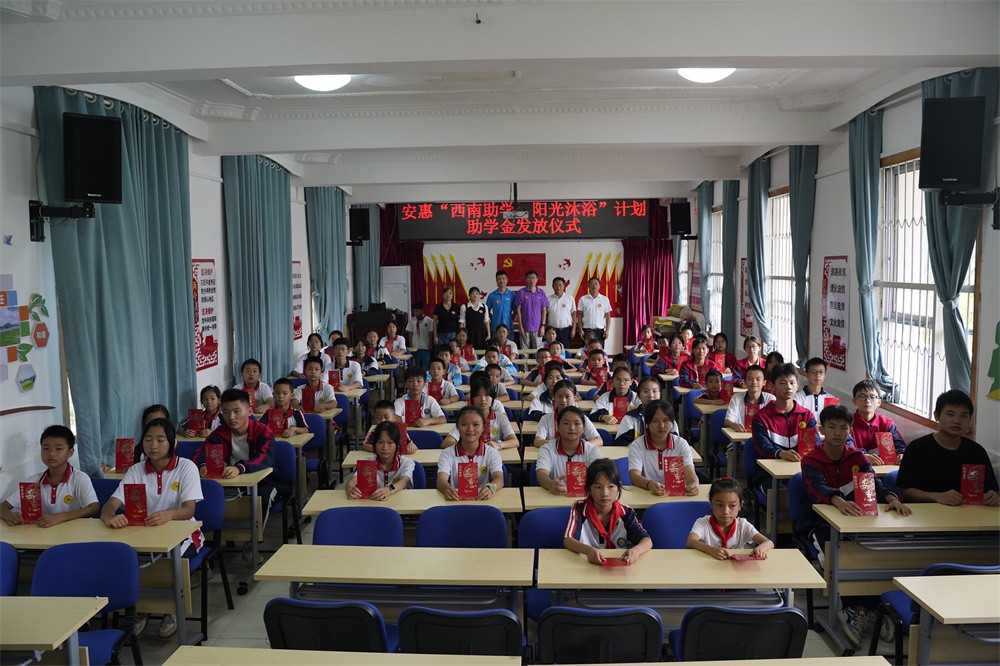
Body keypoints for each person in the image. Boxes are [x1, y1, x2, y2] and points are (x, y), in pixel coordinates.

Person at [798, 404, 911, 648]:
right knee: (840, 558)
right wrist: (838, 501)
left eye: (843, 428)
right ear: (822, 430)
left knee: (875, 554)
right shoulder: (811, 460)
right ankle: (853, 608)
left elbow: (874, 483)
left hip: (858, 520)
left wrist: (891, 498)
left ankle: (866, 608)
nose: (837, 433)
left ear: (850, 431)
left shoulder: (857, 458)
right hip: (820, 523)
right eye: (832, 427)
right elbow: (818, 489)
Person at [104, 418, 202, 639]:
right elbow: (110, 505)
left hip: (183, 533)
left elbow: (189, 510)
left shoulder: (186, 467)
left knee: (168, 563)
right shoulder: (136, 470)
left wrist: (169, 515)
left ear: (172, 443)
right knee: (125, 559)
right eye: (148, 439)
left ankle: (171, 608)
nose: (153, 445)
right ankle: (142, 608)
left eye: (160, 440)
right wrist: (110, 517)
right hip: (143, 534)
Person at [896, 390, 999, 506]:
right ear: (937, 416)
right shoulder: (917, 448)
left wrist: (994, 497)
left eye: (964, 416)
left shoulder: (977, 451)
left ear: (970, 420)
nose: (957, 421)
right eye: (950, 414)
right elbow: (906, 491)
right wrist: (936, 496)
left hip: (968, 514)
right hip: (926, 514)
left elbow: (992, 490)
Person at [1, 425, 98, 527]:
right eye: (46, 448)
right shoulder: (32, 482)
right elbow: (3, 507)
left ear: (70, 452)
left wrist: (60, 517)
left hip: (72, 532)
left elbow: (93, 508)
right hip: (41, 533)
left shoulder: (79, 478)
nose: (51, 453)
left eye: (58, 449)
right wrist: (9, 516)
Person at [563, 458, 652, 565]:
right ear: (589, 488)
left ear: (619, 487)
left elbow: (647, 540)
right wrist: (588, 551)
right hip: (585, 565)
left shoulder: (625, 512)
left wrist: (636, 551)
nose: (605, 493)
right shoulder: (580, 508)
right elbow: (568, 540)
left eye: (611, 486)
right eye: (598, 487)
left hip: (618, 567)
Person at [748, 363, 816, 488]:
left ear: (798, 385)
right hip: (769, 475)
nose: (788, 387)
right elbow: (763, 447)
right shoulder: (761, 418)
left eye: (792, 383)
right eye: (783, 383)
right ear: (772, 386)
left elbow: (814, 446)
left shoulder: (807, 416)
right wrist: (780, 453)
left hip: (801, 471)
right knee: (786, 492)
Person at [686, 477, 773, 560]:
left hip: (734, 568)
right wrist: (710, 549)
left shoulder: (742, 525)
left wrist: (761, 548)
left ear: (740, 506)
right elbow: (690, 541)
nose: (725, 511)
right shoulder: (703, 523)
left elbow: (769, 542)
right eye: (720, 505)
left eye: (732, 506)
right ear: (711, 504)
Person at [196, 389, 275, 480]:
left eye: (237, 411)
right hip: (230, 480)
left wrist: (240, 468)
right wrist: (203, 465)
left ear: (249, 411)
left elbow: (265, 457)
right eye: (226, 412)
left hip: (261, 480)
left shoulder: (262, 432)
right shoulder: (219, 433)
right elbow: (202, 452)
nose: (231, 417)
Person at [627, 401, 699, 496]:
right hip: (647, 494)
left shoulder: (681, 444)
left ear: (672, 423)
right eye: (655, 421)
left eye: (666, 420)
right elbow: (634, 476)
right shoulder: (637, 445)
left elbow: (690, 472)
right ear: (647, 423)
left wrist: (694, 484)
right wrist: (649, 484)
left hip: (676, 496)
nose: (661, 426)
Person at [436, 406, 505, 501]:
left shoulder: (491, 453)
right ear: (457, 427)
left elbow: (499, 478)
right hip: (456, 501)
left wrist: (491, 488)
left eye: (476, 425)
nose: (470, 429)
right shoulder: (447, 453)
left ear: (483, 428)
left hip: (482, 500)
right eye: (464, 424)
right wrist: (447, 489)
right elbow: (441, 480)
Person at [536, 406, 603, 494]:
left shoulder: (592, 451)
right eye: (566, 423)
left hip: (584, 496)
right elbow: (541, 472)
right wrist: (549, 484)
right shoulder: (547, 449)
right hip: (556, 495)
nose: (572, 428)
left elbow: (599, 476)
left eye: (577, 424)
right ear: (558, 427)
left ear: (583, 428)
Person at [345, 421, 414, 501]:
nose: (385, 448)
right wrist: (349, 487)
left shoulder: (406, 463)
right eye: (380, 442)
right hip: (373, 505)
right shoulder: (367, 463)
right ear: (374, 444)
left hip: (399, 504)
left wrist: (389, 490)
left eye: (390, 442)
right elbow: (353, 480)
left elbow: (404, 481)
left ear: (397, 445)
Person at [442, 381, 518, 450]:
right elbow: (446, 443)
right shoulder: (466, 418)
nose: (483, 399)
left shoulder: (500, 418)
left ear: (493, 398)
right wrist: (467, 447)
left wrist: (499, 445)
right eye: (478, 395)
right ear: (472, 398)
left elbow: (515, 441)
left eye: (487, 395)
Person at [850, 380, 906, 465]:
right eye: (862, 396)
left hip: (883, 468)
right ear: (854, 401)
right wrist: (863, 455)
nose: (867, 401)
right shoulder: (847, 423)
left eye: (872, 397)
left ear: (879, 402)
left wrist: (901, 454)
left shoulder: (887, 423)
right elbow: (847, 447)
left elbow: (899, 445)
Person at [533, 380, 603, 447]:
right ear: (554, 397)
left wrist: (579, 446)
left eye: (567, 397)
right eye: (559, 396)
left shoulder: (582, 418)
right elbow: (538, 441)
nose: (563, 400)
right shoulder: (546, 418)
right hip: (553, 453)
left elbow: (598, 440)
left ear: (574, 397)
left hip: (577, 454)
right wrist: (559, 446)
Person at [614, 376, 669, 447]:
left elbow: (675, 442)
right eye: (646, 391)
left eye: (654, 391)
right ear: (639, 395)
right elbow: (620, 445)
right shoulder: (630, 418)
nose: (651, 395)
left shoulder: (668, 416)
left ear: (660, 394)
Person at [723, 365, 775, 432]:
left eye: (758, 379)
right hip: (740, 436)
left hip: (763, 436)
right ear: (745, 382)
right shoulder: (736, 398)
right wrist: (734, 425)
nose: (754, 382)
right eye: (750, 379)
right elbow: (727, 421)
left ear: (764, 382)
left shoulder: (770, 399)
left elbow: (775, 422)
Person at [515, 270, 548, 349]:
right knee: (524, 352)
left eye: (533, 278)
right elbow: (518, 310)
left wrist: (543, 326)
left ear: (537, 280)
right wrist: (520, 326)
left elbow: (544, 310)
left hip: (538, 328)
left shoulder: (541, 293)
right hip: (525, 327)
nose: (531, 280)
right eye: (529, 278)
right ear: (526, 280)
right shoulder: (521, 292)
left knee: (538, 352)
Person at [576, 276, 612, 346]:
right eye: (592, 284)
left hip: (599, 331)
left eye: (596, 284)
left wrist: (607, 330)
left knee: (599, 350)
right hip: (587, 330)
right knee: (586, 350)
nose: (594, 286)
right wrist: (580, 330)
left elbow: (608, 316)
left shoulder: (604, 299)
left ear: (599, 286)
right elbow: (579, 316)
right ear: (588, 286)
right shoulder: (583, 299)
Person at [547, 276, 576, 347]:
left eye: (560, 285)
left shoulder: (570, 298)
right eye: (556, 285)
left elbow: (574, 315)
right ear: (552, 286)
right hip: (552, 331)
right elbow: (546, 314)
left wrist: (573, 329)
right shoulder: (548, 299)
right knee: (552, 349)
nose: (558, 287)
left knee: (566, 350)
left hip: (566, 330)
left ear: (564, 286)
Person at [486, 270, 516, 335]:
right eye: (499, 279)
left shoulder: (512, 295)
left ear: (507, 280)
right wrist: (493, 318)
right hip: (495, 328)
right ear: (496, 281)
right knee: (495, 342)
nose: (501, 281)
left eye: (503, 279)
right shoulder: (492, 295)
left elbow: (515, 310)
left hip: (508, 328)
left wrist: (510, 318)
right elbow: (487, 310)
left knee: (509, 342)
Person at [406, 301, 434, 371]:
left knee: (425, 364)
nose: (415, 313)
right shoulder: (412, 320)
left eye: (417, 311)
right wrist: (411, 345)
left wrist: (430, 344)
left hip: (425, 346)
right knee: (416, 365)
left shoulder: (429, 320)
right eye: (414, 311)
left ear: (422, 310)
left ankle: (425, 376)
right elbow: (410, 333)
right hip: (415, 347)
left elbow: (431, 333)